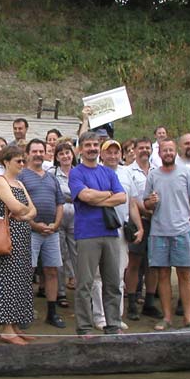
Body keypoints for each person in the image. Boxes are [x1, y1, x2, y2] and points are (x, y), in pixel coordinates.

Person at [69, 131, 127, 335]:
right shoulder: (76, 173)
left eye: (95, 145)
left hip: (110, 233)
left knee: (113, 282)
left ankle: (113, 324)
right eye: (88, 145)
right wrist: (107, 194)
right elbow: (84, 196)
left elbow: (122, 197)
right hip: (87, 234)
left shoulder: (109, 173)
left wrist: (97, 198)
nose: (92, 148)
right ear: (81, 149)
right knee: (85, 283)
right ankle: (84, 328)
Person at [143, 139, 190, 329]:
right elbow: (146, 203)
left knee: (185, 275)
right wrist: (151, 202)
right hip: (159, 231)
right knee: (162, 274)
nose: (167, 153)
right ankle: (167, 317)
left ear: (175, 152)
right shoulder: (153, 175)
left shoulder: (187, 172)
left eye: (170, 150)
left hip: (183, 230)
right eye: (164, 150)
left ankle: (188, 317)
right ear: (159, 154)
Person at [94, 138, 144, 329]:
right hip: (98, 228)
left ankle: (115, 316)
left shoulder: (127, 174)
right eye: (109, 152)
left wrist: (139, 226)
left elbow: (131, 203)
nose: (113, 156)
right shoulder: (95, 171)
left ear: (121, 154)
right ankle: (99, 316)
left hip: (120, 230)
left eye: (116, 152)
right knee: (98, 276)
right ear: (102, 154)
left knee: (118, 275)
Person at [0, 146, 37, 344]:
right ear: (6, 162)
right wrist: (22, 212)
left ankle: (16, 325)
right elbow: (15, 206)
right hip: (7, 238)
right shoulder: (0, 181)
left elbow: (33, 210)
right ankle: (7, 329)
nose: (22, 165)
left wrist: (22, 213)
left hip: (22, 237)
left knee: (21, 279)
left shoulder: (18, 183)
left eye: (23, 161)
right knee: (8, 279)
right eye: (18, 161)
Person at [19, 139, 66, 329]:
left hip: (52, 232)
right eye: (35, 151)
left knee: (52, 271)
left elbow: (60, 203)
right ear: (27, 153)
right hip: (30, 232)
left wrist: (56, 224)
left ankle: (52, 313)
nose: (38, 154)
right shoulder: (21, 176)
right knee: (27, 272)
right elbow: (18, 207)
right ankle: (23, 313)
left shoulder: (51, 177)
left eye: (42, 151)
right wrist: (34, 224)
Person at [124, 137, 158, 320]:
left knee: (154, 263)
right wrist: (146, 209)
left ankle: (150, 302)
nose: (145, 150)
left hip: (157, 222)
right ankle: (131, 302)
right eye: (141, 148)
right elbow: (132, 197)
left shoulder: (157, 171)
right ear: (134, 150)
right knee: (134, 263)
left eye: (148, 148)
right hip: (138, 220)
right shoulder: (128, 171)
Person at [52, 140, 77, 303]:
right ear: (56, 157)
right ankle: (60, 291)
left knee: (77, 255)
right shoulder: (52, 173)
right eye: (61, 153)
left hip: (78, 219)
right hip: (58, 219)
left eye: (67, 152)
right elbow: (53, 194)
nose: (65, 156)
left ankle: (81, 290)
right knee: (59, 255)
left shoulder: (80, 172)